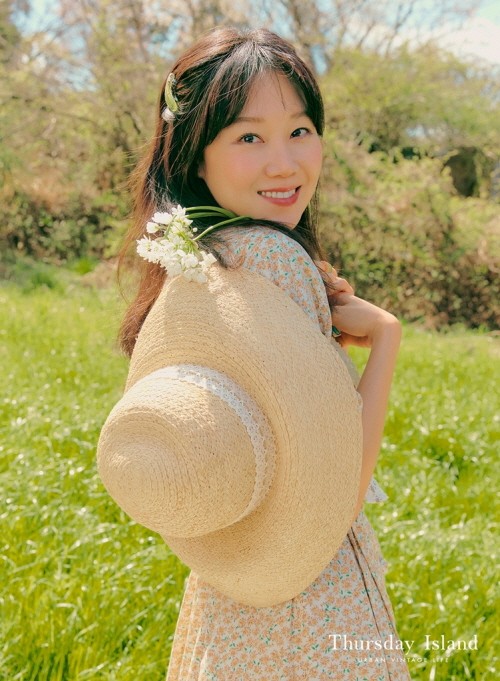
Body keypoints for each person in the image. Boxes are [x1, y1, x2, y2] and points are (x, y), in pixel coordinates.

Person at [104, 26, 411, 681]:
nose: (284, 163)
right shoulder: (274, 257)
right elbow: (337, 489)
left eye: (299, 131)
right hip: (311, 606)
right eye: (249, 138)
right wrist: (385, 335)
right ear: (196, 156)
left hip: (232, 588)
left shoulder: (198, 257)